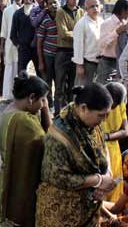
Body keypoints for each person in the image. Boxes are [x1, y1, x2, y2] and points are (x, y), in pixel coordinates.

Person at [35, 83, 116, 226]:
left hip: (89, 207)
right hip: (63, 212)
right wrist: (97, 180)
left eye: (106, 115)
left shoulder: (91, 123)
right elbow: (57, 177)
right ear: (84, 108)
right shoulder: (59, 136)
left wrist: (106, 174)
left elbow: (102, 147)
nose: (103, 120)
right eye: (101, 115)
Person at [0, 72, 50, 227]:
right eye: (43, 100)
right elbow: (50, 144)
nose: (44, 104)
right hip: (20, 187)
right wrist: (45, 111)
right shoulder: (24, 121)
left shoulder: (11, 111)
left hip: (8, 180)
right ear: (31, 98)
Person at [54, 0, 84, 115]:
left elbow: (83, 31)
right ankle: (57, 113)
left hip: (76, 53)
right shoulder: (61, 12)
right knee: (59, 85)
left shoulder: (81, 12)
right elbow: (63, 33)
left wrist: (77, 34)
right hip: (62, 52)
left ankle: (70, 114)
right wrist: (79, 34)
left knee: (73, 86)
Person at [102, 82, 128, 202]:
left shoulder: (120, 104)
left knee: (114, 187)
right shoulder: (97, 102)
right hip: (98, 148)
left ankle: (112, 216)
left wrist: (106, 136)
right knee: (101, 186)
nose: (113, 107)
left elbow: (125, 131)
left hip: (114, 150)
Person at [96, 0, 128, 84]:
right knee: (105, 91)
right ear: (123, 10)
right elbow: (101, 44)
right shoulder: (107, 23)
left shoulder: (124, 23)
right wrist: (116, 32)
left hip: (120, 64)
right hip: (107, 62)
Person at [72, 0, 103, 85]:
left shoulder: (101, 21)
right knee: (82, 92)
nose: (95, 8)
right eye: (92, 6)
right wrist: (79, 66)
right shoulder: (82, 23)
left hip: (100, 64)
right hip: (86, 65)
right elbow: (78, 46)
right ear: (86, 9)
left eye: (97, 6)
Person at [1, 0, 23, 102]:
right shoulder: (7, 10)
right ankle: (8, 95)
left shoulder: (28, 9)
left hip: (22, 46)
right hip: (10, 45)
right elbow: (4, 31)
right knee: (9, 69)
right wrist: (1, 47)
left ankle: (20, 96)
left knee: (21, 69)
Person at [10, 0, 39, 74]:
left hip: (36, 49)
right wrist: (18, 45)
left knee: (40, 72)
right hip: (23, 49)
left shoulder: (38, 12)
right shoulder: (18, 13)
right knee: (21, 73)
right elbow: (13, 34)